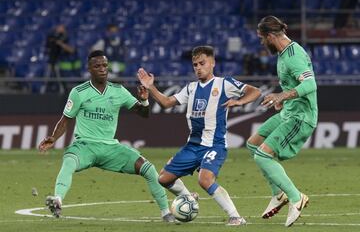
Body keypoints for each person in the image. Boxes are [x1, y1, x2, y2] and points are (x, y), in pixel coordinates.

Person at [38, 50, 176, 222]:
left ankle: (166, 213)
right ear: (89, 69)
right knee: (69, 161)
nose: (102, 69)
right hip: (85, 146)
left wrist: (144, 100)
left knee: (148, 169)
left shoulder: (118, 91)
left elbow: (144, 114)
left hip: (111, 148)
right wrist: (53, 137)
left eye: (104, 65)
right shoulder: (79, 92)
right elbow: (65, 120)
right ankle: (57, 200)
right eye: (97, 66)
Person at [137, 45, 261, 226]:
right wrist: (151, 87)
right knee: (163, 178)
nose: (198, 68)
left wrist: (239, 101)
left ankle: (236, 217)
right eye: (195, 65)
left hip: (214, 145)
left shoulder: (224, 84)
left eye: (202, 63)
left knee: (204, 180)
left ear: (212, 63)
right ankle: (188, 197)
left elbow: (255, 91)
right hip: (192, 146)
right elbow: (166, 103)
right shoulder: (191, 88)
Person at [246, 16, 318, 227]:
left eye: (262, 38)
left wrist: (282, 96)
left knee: (262, 155)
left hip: (301, 117)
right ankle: (278, 194)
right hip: (288, 112)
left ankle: (296, 198)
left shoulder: (293, 56)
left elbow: (311, 84)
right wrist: (282, 98)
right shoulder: (283, 53)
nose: (261, 43)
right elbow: (294, 85)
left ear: (270, 36)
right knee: (253, 144)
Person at [43, 24, 81, 94]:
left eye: (60, 28)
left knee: (74, 92)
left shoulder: (70, 38)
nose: (58, 30)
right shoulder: (58, 38)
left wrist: (59, 43)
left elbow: (71, 50)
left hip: (73, 71)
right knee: (66, 91)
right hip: (64, 71)